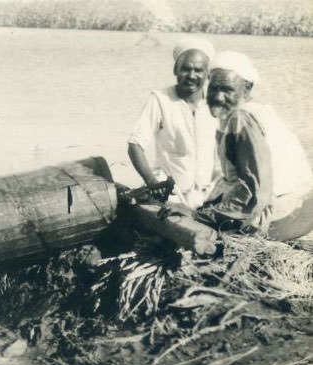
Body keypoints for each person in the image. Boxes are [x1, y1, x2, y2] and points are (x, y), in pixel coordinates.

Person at [198, 51, 313, 240]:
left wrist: (206, 216)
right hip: (299, 210)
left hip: (277, 218)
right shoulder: (260, 111)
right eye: (213, 88)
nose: (218, 97)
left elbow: (254, 190)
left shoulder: (241, 119)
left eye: (227, 89)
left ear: (247, 89)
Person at [128, 38, 219, 209]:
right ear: (175, 69)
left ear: (208, 74)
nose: (191, 76)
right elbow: (135, 145)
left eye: (198, 70)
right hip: (171, 193)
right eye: (185, 69)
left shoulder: (216, 103)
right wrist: (152, 183)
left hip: (208, 193)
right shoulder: (160, 100)